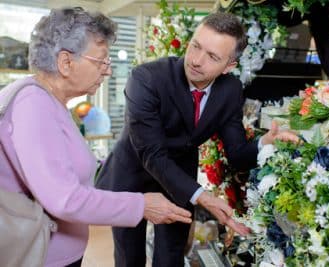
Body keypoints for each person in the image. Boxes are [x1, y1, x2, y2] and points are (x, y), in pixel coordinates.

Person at [96, 11, 299, 267]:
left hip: (180, 176)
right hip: (133, 174)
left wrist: (264, 144)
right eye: (195, 46)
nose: (196, 60)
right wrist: (204, 197)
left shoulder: (231, 90)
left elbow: (236, 153)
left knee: (171, 256)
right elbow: (153, 155)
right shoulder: (146, 78)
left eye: (213, 56)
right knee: (129, 258)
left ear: (229, 66)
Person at [0, 7, 192, 267]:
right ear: (66, 62)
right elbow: (65, 199)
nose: (108, 71)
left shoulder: (50, 101)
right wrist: (142, 205)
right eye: (101, 61)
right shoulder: (34, 104)